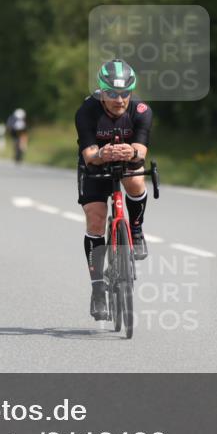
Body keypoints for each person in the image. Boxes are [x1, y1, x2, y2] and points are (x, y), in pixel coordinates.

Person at [75, 59, 153, 321]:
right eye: (112, 93)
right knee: (95, 219)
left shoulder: (141, 111)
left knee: (136, 181)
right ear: (101, 92)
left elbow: (142, 150)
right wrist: (102, 153)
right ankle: (98, 290)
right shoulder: (87, 111)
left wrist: (131, 151)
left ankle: (137, 231)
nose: (119, 100)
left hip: (126, 160)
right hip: (96, 164)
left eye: (124, 93)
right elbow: (88, 154)